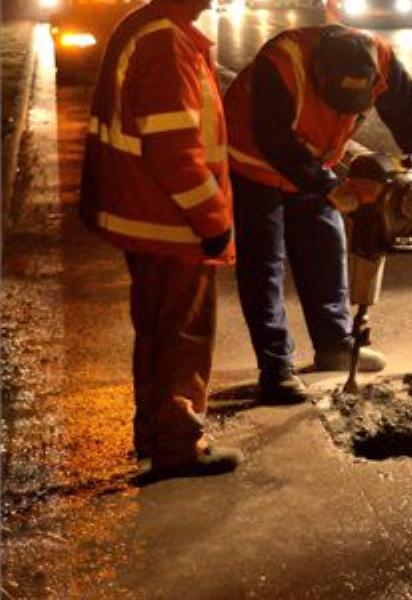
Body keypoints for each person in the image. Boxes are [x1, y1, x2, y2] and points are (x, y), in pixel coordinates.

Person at [224, 24, 412, 404]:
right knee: (264, 262)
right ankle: (275, 369)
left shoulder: (382, 60)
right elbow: (274, 140)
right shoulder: (282, 64)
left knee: (325, 244)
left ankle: (334, 345)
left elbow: (410, 115)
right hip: (253, 158)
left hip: (314, 160)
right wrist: (329, 187)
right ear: (320, 73)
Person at [79, 0, 241, 476]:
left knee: (155, 330)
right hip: (172, 222)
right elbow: (174, 147)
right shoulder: (167, 42)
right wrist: (213, 221)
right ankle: (178, 444)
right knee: (183, 334)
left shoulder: (145, 26)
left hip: (143, 215)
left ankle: (152, 430)